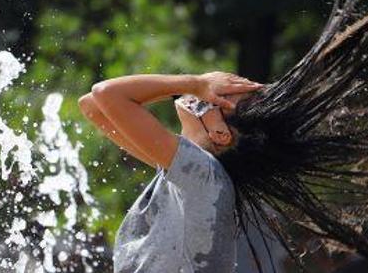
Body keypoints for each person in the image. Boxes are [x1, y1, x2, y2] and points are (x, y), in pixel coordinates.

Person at [79, 72, 278, 273]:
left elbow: (106, 93)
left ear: (220, 134)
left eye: (218, 97)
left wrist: (195, 84)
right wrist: (191, 87)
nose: (207, 94)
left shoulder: (205, 175)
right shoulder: (190, 176)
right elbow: (93, 106)